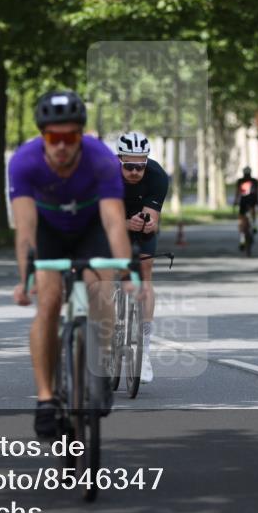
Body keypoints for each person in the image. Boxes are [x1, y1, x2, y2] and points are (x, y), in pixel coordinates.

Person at [10, 90, 133, 439]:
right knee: (48, 302)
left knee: (102, 292)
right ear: (43, 137)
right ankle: (46, 398)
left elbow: (113, 221)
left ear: (81, 136)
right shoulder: (24, 161)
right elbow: (25, 228)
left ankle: (102, 365)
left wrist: (125, 271)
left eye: (70, 137)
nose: (61, 145)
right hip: (48, 231)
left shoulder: (101, 159)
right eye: (53, 137)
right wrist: (26, 278)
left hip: (90, 227)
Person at [117, 130, 169, 385]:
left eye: (140, 166)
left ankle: (144, 350)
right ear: (119, 160)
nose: (135, 172)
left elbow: (153, 218)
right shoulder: (106, 177)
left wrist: (148, 225)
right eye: (129, 166)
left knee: (146, 271)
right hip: (113, 222)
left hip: (140, 224)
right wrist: (126, 223)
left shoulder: (157, 176)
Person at [233, 166, 258, 251]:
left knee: (241, 220)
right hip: (252, 201)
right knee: (252, 212)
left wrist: (235, 202)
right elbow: (257, 192)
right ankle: (254, 225)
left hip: (243, 202)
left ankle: (242, 240)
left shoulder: (240, 181)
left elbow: (237, 193)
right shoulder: (254, 181)